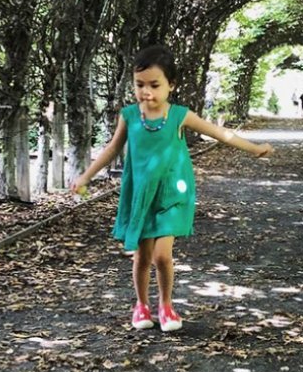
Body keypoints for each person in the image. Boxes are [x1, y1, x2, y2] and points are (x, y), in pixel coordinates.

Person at [70, 45, 273, 332]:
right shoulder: (129, 115)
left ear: (171, 85)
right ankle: (141, 305)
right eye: (140, 85)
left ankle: (165, 305)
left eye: (155, 85)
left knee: (162, 255)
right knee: (141, 256)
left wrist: (254, 149)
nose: (147, 92)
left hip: (172, 193)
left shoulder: (179, 115)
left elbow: (219, 133)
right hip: (141, 194)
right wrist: (85, 176)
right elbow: (113, 148)